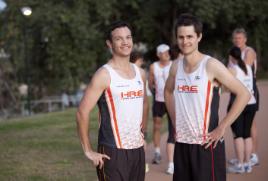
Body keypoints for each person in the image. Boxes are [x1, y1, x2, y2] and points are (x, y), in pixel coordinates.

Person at [164, 13, 250, 181]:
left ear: (199, 37)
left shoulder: (210, 65)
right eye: (181, 37)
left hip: (206, 145)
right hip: (182, 144)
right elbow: (167, 92)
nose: (185, 41)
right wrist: (174, 120)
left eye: (190, 36)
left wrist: (222, 127)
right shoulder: (175, 67)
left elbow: (244, 94)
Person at [76, 21, 148, 181]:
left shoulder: (140, 73)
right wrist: (87, 150)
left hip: (137, 150)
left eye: (128, 37)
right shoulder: (104, 75)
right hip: (112, 151)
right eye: (119, 39)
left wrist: (143, 135)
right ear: (110, 43)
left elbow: (143, 104)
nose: (125, 42)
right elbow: (82, 112)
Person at [229, 28, 260, 166]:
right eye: (235, 38)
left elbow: (244, 71)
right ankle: (242, 157)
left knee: (250, 123)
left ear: (245, 39)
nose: (237, 40)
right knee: (240, 124)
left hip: (249, 90)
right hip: (235, 90)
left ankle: (252, 154)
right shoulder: (232, 54)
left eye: (240, 38)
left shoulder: (249, 52)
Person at [226, 46, 256, 173]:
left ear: (231, 57)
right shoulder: (248, 67)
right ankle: (247, 163)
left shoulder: (232, 70)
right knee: (247, 134)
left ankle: (240, 164)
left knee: (238, 135)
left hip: (238, 104)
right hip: (251, 103)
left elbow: (227, 87)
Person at [148, 44, 175, 174]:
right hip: (158, 101)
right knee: (157, 126)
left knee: (173, 129)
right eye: (163, 53)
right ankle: (157, 152)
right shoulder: (153, 66)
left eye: (167, 52)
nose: (166, 54)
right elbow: (150, 83)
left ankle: (172, 161)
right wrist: (156, 92)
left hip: (171, 101)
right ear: (158, 54)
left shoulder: (174, 65)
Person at [130, 51, 150, 173]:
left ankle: (142, 163)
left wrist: (144, 124)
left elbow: (145, 103)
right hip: (129, 119)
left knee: (141, 141)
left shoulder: (141, 73)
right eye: (141, 60)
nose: (142, 62)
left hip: (138, 118)